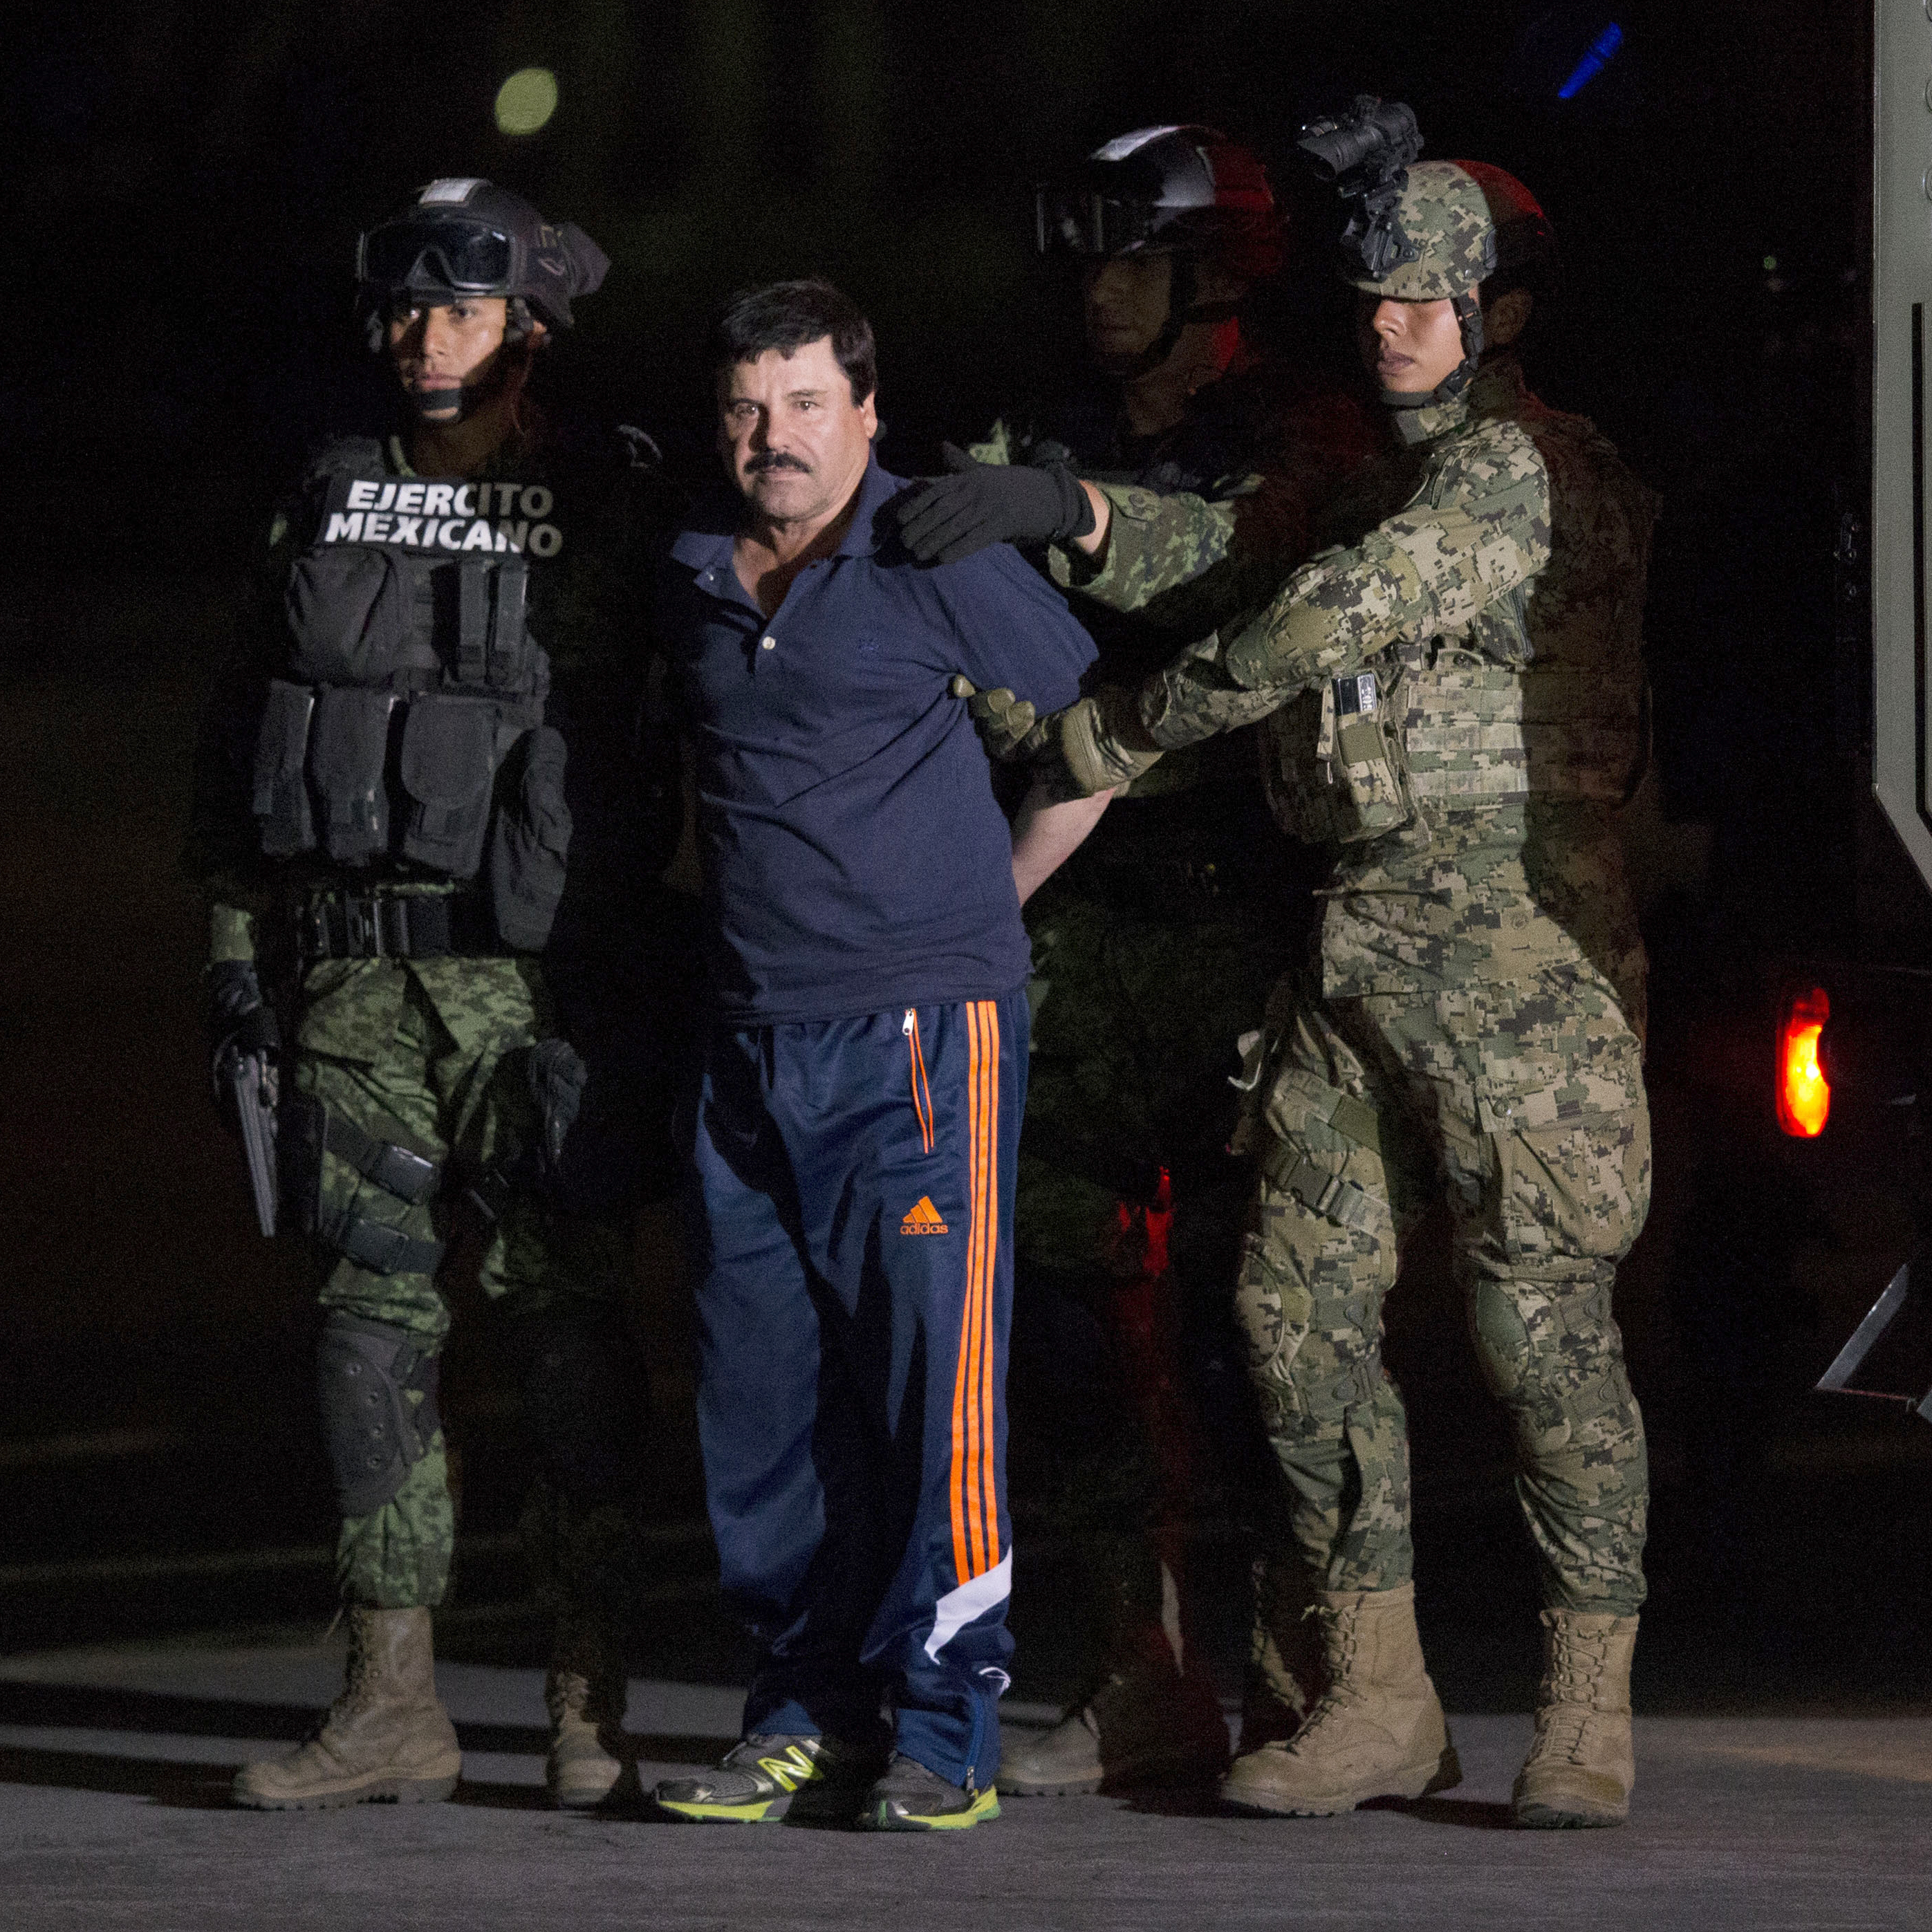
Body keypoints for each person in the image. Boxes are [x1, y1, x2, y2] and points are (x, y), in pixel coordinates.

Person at [898, 128, 1657, 1829]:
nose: (1387, 323)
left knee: (1537, 1331)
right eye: (1372, 292)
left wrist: (1120, 728)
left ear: (1495, 312)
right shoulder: (1366, 470)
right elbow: (1233, 560)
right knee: (1287, 1310)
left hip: (1514, 966)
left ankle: (1585, 1701)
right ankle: (1375, 1692)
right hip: (1356, 935)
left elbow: (1324, 616)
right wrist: (1066, 516)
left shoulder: (1516, 472)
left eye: (1423, 298)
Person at [187, 178, 687, 1812]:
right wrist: (235, 976)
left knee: (566, 1341)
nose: (424, 337)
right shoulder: (323, 499)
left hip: (544, 992)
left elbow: (699, 738)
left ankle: (584, 1694)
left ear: (527, 326)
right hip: (350, 986)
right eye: (405, 307)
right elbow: (235, 755)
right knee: (363, 1333)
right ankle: (389, 1696)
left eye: (460, 309)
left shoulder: (611, 503)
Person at [947, 127, 1373, 1798]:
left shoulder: (1303, 433)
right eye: (1094, 259)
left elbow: (1237, 563)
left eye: (1140, 257)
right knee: (1070, 1321)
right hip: (1077, 922)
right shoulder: (1037, 438)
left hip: (1236, 931)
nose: (1103, 289)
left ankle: (1296, 1677)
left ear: (1221, 275)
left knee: (1251, 1318)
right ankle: (1135, 1669)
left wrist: (1062, 521)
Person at [648, 279, 1104, 1832]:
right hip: (746, 1043)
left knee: (932, 1390)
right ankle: (799, 1714)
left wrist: (981, 909)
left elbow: (1095, 739)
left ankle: (944, 1729)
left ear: (863, 409)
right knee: (764, 1401)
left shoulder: (931, 549)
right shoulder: (691, 565)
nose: (768, 437)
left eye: (800, 405)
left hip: (918, 1035)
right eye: (743, 407)